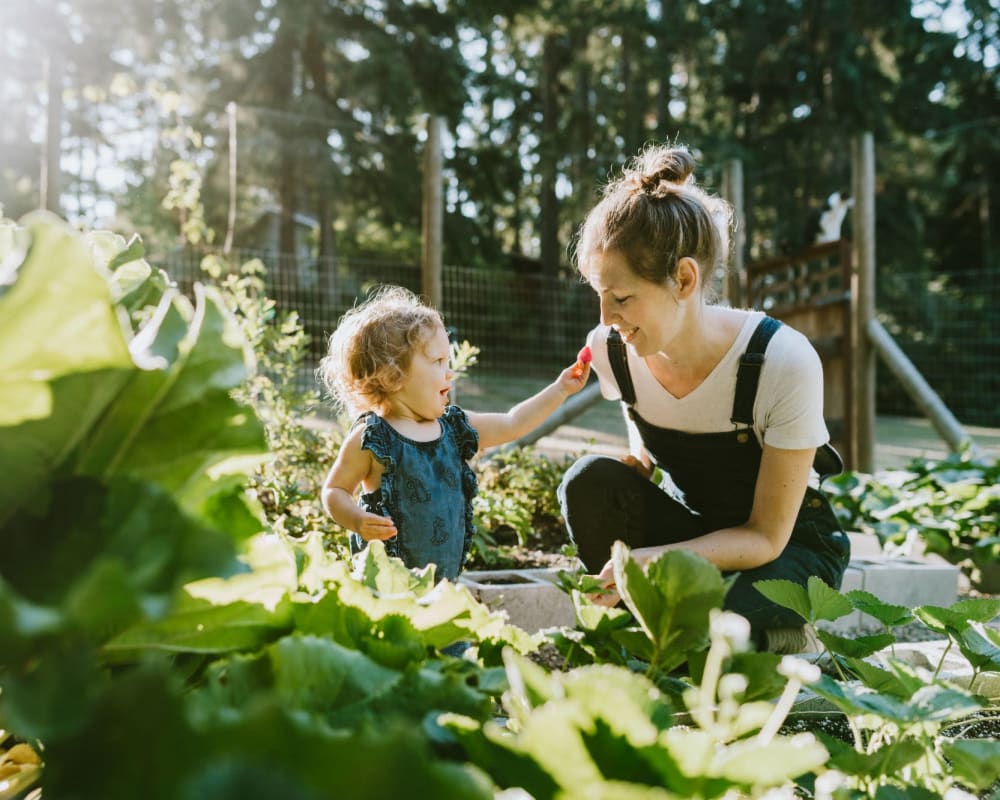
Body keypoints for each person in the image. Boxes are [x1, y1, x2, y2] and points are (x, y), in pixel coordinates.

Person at [557, 144, 851, 654]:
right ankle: (666, 633)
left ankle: (779, 636)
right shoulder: (614, 350)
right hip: (700, 531)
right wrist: (640, 464)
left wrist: (661, 560)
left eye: (622, 298)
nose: (606, 318)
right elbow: (645, 420)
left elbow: (765, 537)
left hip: (785, 553)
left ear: (685, 279)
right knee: (588, 482)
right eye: (599, 294)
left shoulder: (781, 359)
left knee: (709, 604)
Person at [319, 285, 590, 583]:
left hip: (444, 582)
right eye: (437, 362)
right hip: (386, 583)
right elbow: (335, 491)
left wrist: (561, 389)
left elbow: (513, 424)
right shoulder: (372, 438)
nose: (449, 373)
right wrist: (356, 520)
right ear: (392, 375)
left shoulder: (454, 428)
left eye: (448, 362)